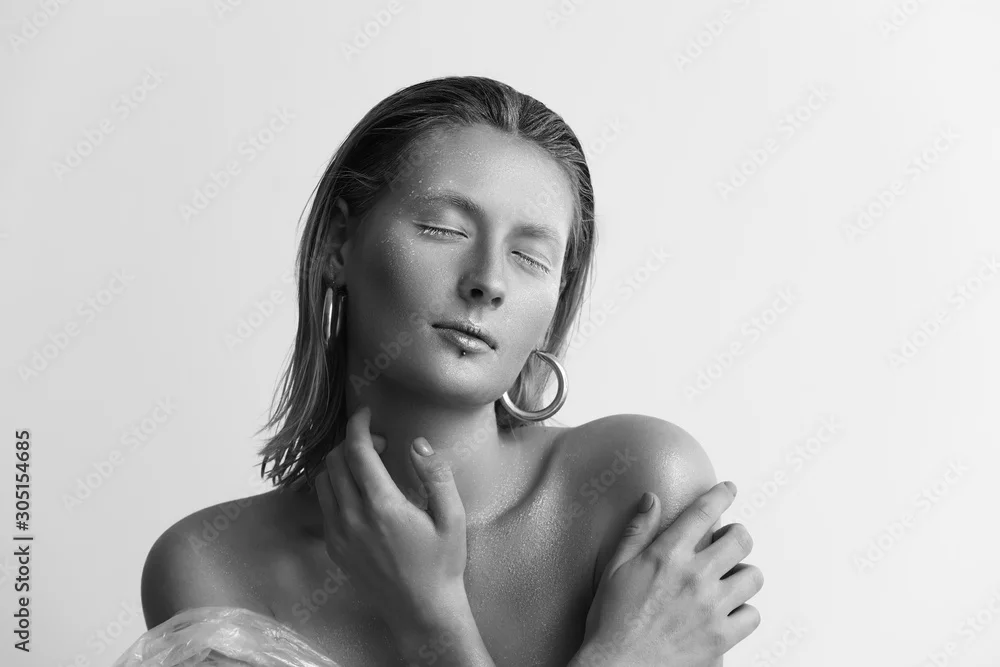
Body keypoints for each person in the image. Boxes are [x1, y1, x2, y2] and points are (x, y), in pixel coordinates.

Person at [135, 76, 762, 666]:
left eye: (530, 257)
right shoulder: (212, 566)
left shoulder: (639, 483)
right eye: (443, 228)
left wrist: (430, 618)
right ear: (337, 243)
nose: (488, 281)